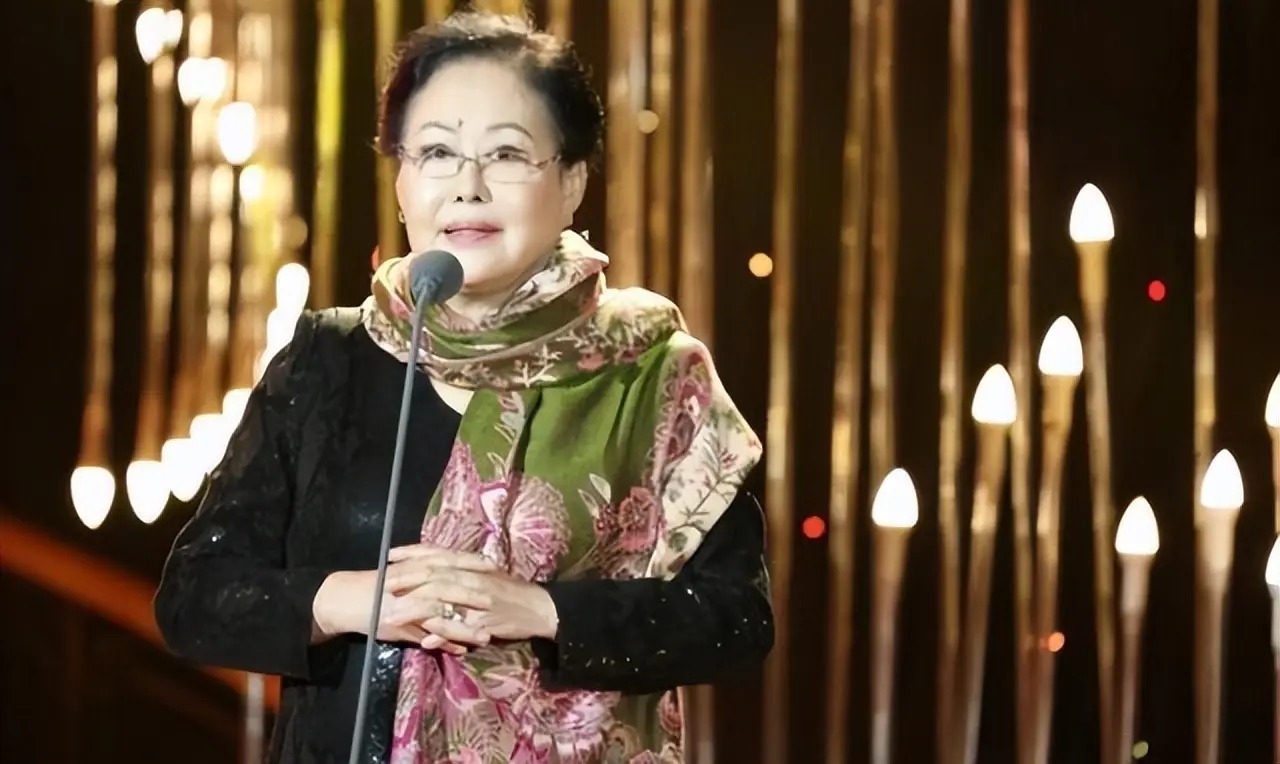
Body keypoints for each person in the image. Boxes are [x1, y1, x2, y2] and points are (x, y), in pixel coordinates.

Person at [154, 11, 772, 764]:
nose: (468, 188)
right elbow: (194, 597)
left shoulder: (653, 373)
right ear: (402, 180)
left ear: (572, 181)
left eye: (506, 153)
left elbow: (736, 619)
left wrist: (541, 610)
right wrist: (348, 600)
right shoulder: (330, 359)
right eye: (438, 152)